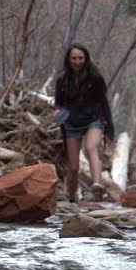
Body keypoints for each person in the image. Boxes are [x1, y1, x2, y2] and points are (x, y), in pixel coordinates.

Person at [54, 43, 114, 202]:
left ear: (86, 59)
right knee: (73, 167)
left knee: (91, 148)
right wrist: (58, 111)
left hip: (92, 120)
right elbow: (58, 103)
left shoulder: (96, 79)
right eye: (74, 58)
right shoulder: (62, 79)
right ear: (68, 59)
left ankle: (97, 184)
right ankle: (72, 199)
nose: (77, 62)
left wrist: (110, 130)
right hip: (71, 124)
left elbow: (104, 104)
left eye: (80, 58)